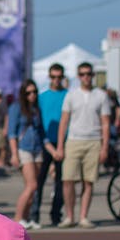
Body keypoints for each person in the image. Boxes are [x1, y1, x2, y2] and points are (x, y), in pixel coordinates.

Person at [57, 62, 111, 229]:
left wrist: (105, 147)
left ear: (93, 75)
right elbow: (64, 121)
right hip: (73, 140)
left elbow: (106, 123)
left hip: (94, 140)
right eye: (82, 74)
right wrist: (60, 146)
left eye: (88, 74)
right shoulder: (71, 95)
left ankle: (83, 217)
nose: (86, 77)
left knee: (89, 181)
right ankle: (69, 216)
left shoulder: (101, 95)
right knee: (68, 180)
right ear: (78, 76)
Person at [30, 64, 68, 228]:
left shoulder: (68, 95)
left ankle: (56, 215)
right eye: (53, 77)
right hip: (44, 142)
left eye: (59, 77)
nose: (56, 80)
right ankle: (35, 215)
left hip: (63, 142)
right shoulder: (42, 97)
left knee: (60, 181)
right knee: (39, 180)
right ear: (49, 77)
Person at [8, 79, 44, 228]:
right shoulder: (16, 107)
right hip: (24, 149)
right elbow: (11, 133)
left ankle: (27, 218)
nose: (32, 95)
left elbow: (41, 131)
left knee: (33, 187)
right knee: (32, 185)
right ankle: (17, 217)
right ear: (23, 94)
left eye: (34, 92)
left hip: (37, 148)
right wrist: (14, 154)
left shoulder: (36, 109)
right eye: (28, 92)